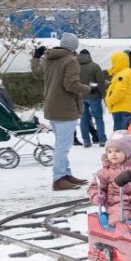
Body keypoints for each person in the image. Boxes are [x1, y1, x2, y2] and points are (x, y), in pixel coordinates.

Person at [30, 33, 92, 191]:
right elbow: (70, 85)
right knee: (63, 147)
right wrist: (89, 89)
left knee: (61, 144)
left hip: (52, 107)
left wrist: (35, 57)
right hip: (65, 108)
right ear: (74, 46)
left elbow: (37, 74)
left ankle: (65, 174)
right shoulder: (70, 60)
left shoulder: (49, 58)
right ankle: (58, 178)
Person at [87, 131, 131, 226]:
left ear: (127, 152)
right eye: (109, 152)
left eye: (117, 151)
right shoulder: (105, 172)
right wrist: (97, 196)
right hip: (117, 202)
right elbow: (95, 187)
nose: (113, 154)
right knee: (121, 217)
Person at [77, 49, 107, 147]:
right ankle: (102, 140)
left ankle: (86, 141)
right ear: (89, 56)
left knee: (83, 119)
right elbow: (101, 82)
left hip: (80, 96)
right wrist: (103, 95)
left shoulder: (74, 67)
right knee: (98, 118)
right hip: (94, 96)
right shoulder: (94, 66)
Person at [104, 51, 131, 131]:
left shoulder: (122, 75)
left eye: (113, 61)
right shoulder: (126, 71)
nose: (112, 64)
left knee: (119, 134)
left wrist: (109, 101)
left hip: (120, 108)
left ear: (118, 61)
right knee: (124, 132)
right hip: (126, 107)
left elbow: (120, 92)